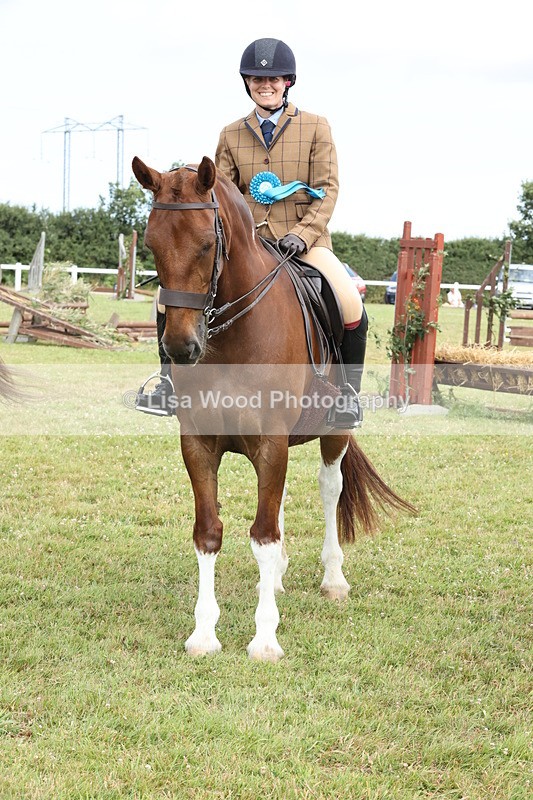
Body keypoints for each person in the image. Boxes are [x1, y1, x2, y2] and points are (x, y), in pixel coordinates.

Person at [136, 37, 367, 428]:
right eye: (257, 78)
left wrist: (304, 233)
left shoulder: (315, 127)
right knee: (165, 297)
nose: (266, 84)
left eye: (274, 78)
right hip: (248, 245)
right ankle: (167, 385)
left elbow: (327, 189)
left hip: (303, 244)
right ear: (247, 82)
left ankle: (346, 397)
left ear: (288, 81)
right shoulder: (230, 133)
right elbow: (217, 194)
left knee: (349, 303)